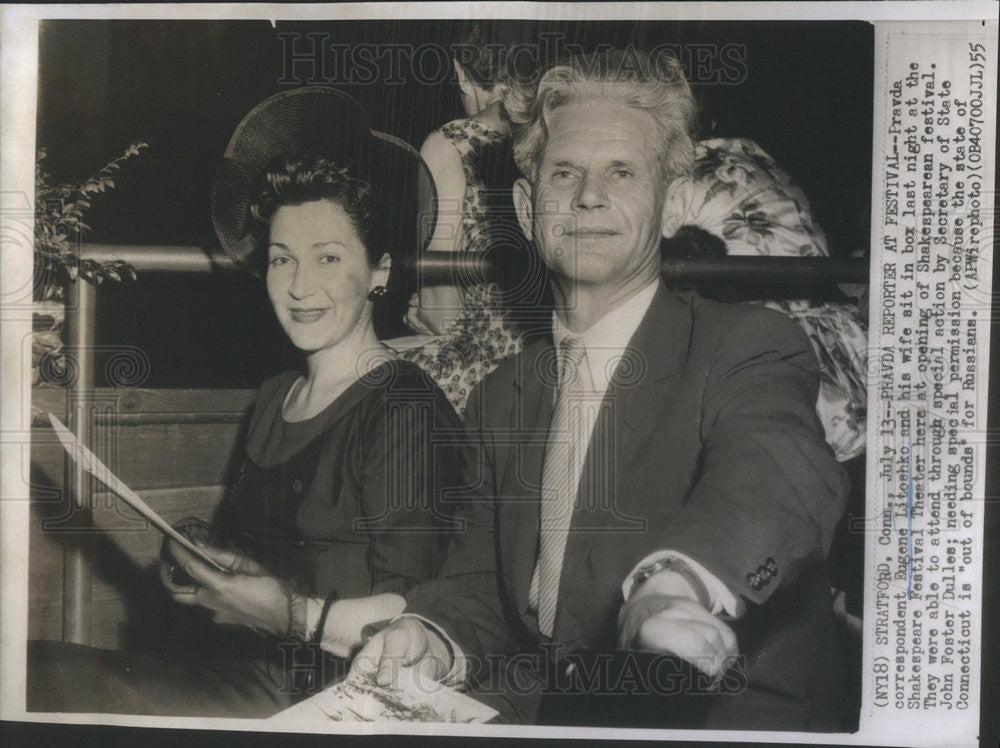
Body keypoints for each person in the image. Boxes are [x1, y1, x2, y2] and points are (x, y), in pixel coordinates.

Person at [354, 50, 850, 730]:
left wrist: (673, 588)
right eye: (565, 173)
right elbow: (481, 589)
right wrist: (431, 636)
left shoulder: (744, 343)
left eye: (622, 172)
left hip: (721, 714)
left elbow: (780, 473)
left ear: (672, 203)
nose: (589, 196)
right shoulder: (503, 393)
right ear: (528, 210)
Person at [27, 87, 462, 717]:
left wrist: (285, 613)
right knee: (36, 665)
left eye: (328, 257)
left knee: (42, 682)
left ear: (380, 272)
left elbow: (418, 614)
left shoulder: (402, 408)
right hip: (232, 668)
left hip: (324, 697)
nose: (299, 286)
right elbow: (273, 559)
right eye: (282, 259)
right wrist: (213, 564)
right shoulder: (275, 396)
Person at [396, 24, 526, 414]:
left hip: (485, 366)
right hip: (548, 355)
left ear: (461, 73)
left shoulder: (452, 142)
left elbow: (442, 313)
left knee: (357, 380)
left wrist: (422, 310)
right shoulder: (554, 131)